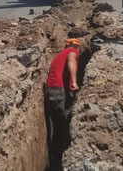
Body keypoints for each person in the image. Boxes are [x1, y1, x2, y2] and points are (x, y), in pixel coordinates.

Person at [44, 38, 81, 170]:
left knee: (58, 127)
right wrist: (74, 82)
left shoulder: (58, 56)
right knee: (67, 124)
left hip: (50, 92)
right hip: (59, 91)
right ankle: (65, 159)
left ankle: (55, 160)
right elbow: (71, 60)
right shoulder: (72, 51)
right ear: (77, 47)